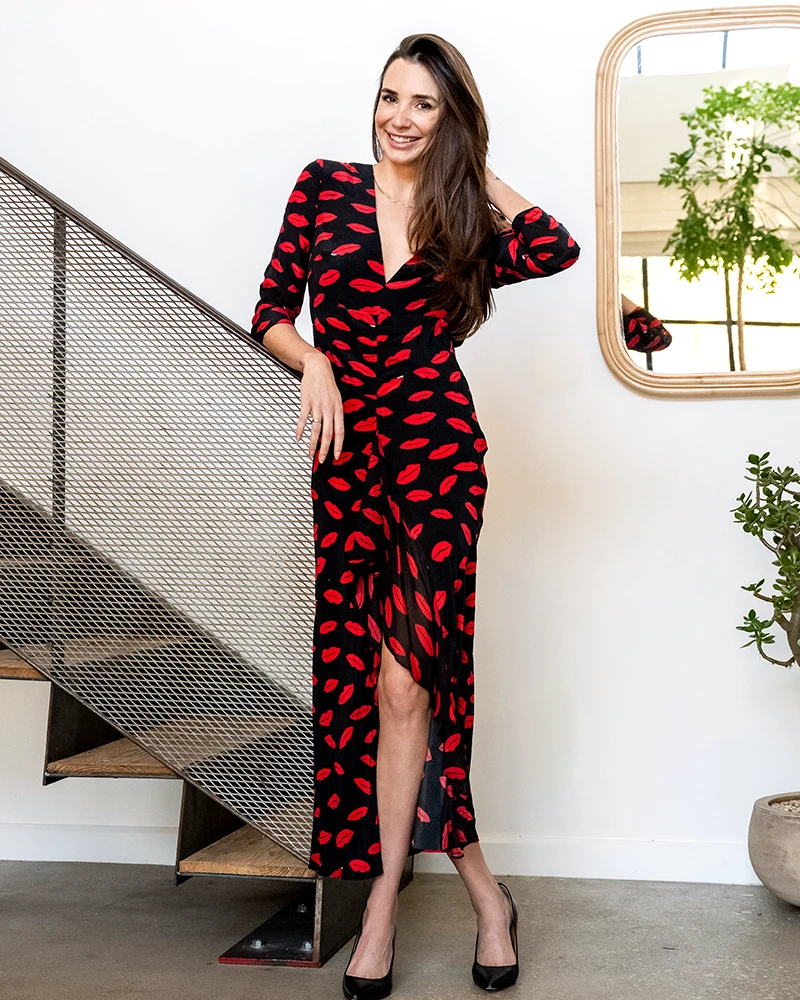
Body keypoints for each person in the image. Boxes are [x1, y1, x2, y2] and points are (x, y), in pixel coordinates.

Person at [249, 33, 580, 999]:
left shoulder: (462, 209)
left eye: (424, 105)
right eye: (390, 96)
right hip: (349, 461)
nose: (399, 116)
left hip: (440, 455)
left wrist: (470, 165)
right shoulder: (323, 186)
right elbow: (269, 309)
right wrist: (312, 360)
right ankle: (466, 891)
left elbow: (554, 244)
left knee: (415, 680)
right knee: (377, 685)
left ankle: (392, 902)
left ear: (451, 120)